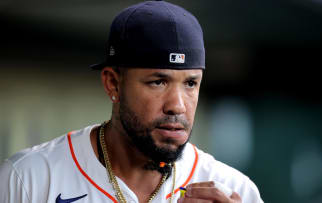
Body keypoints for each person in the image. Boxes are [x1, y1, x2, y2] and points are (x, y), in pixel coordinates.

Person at [0, 1, 263, 202]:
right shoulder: (28, 178)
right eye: (158, 82)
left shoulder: (234, 191)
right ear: (113, 83)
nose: (178, 106)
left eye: (190, 83)